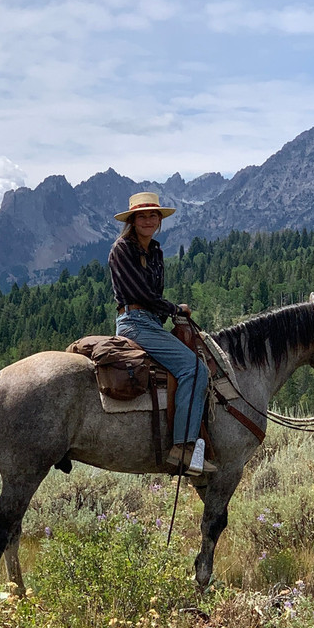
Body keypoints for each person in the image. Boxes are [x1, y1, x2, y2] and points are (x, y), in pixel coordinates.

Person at [108, 192, 216, 476]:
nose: (148, 220)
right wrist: (174, 308)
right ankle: (183, 447)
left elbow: (153, 294)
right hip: (134, 321)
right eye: (141, 216)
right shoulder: (122, 249)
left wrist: (169, 313)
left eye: (153, 215)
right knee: (195, 370)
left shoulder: (155, 250)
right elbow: (140, 293)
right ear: (132, 220)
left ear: (159, 221)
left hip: (151, 322)